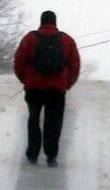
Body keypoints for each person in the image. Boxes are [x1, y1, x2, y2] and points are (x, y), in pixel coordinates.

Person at [13, 10, 81, 167]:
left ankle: (32, 154)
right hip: (56, 89)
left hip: (34, 87)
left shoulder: (30, 38)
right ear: (55, 22)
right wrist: (66, 83)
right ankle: (51, 156)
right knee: (54, 121)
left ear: (41, 21)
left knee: (34, 119)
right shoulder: (66, 40)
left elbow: (19, 61)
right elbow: (75, 65)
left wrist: (26, 80)